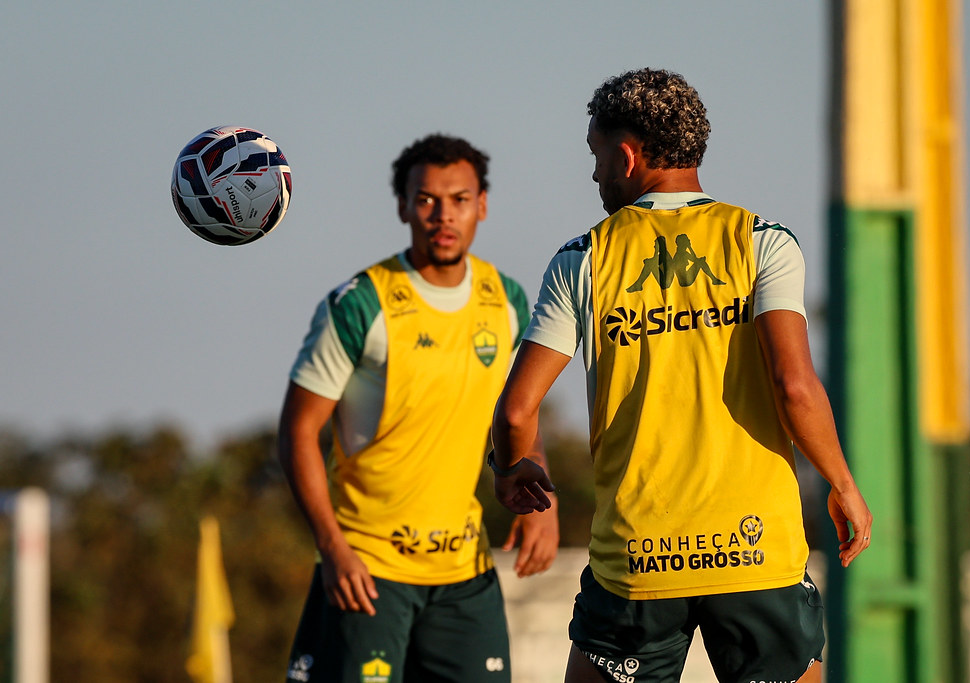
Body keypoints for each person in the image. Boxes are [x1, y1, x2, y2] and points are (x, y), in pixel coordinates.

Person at [489, 69, 872, 683]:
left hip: (637, 564)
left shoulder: (583, 258)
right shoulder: (763, 241)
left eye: (596, 156)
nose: (595, 175)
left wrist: (510, 469)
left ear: (626, 155)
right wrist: (841, 482)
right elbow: (795, 387)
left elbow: (515, 412)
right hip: (756, 556)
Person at [279, 133, 559, 683]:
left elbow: (519, 413)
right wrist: (332, 548)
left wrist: (541, 503)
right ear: (403, 206)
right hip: (368, 569)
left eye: (459, 199)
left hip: (464, 572)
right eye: (426, 199)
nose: (443, 215)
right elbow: (297, 433)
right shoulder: (360, 303)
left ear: (482, 204)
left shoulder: (506, 299)